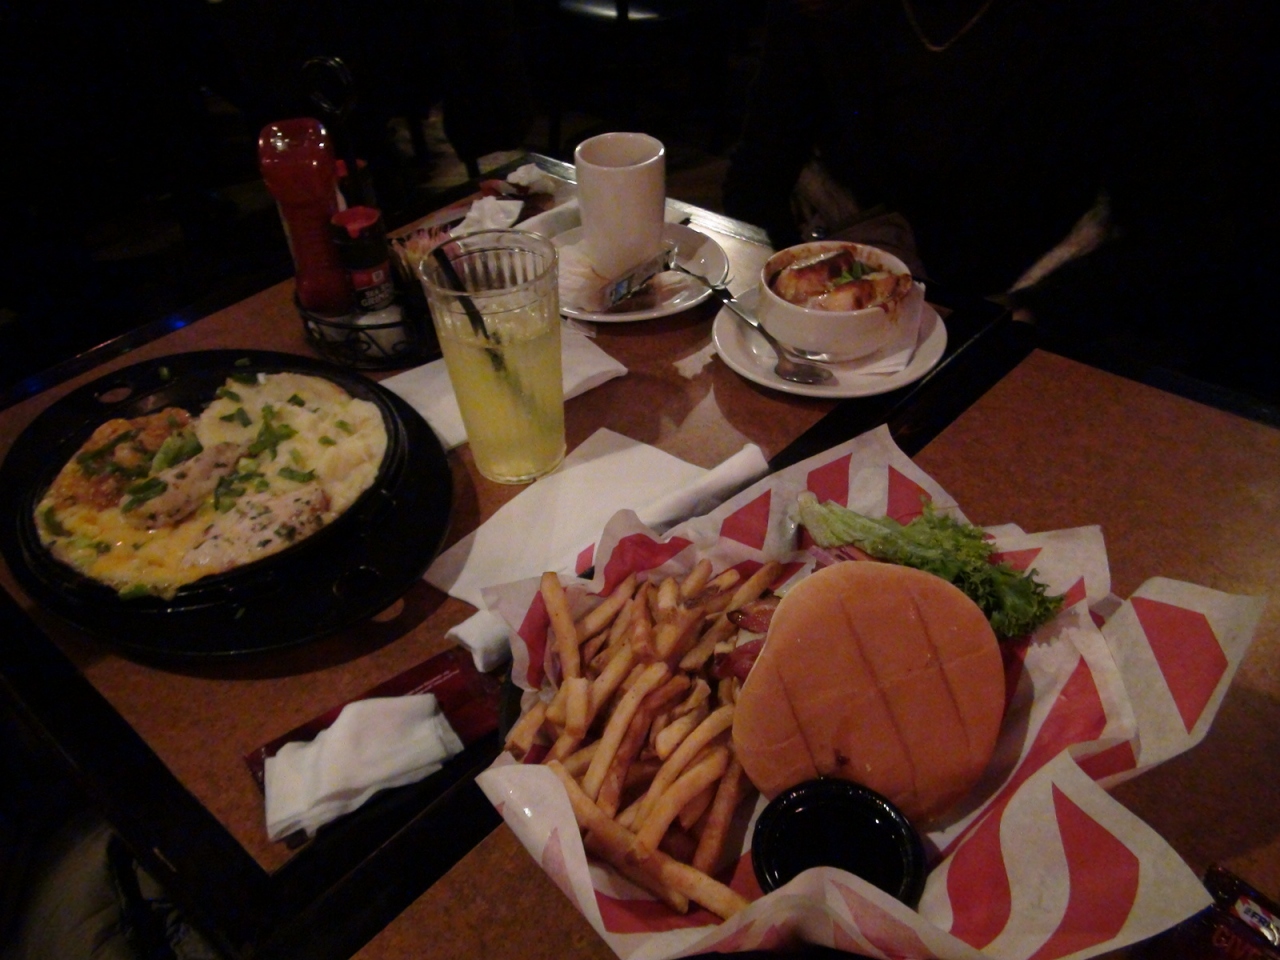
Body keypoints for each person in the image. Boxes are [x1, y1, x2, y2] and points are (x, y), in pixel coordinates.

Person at [723, 0, 1241, 378]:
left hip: (1042, 335)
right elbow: (758, 174)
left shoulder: (1131, 22)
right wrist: (802, 309)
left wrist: (1030, 313)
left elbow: (1178, 233)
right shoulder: (822, 11)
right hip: (843, 341)